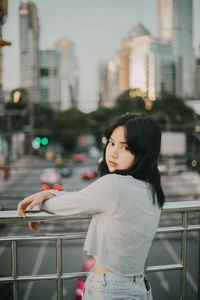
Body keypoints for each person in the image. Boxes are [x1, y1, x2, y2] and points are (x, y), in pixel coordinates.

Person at [18, 112, 165, 300]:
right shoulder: (151, 188)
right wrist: (50, 193)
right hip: (140, 287)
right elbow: (84, 199)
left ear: (143, 152)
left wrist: (41, 202)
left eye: (125, 147)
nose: (113, 152)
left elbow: (73, 203)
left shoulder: (115, 185)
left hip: (110, 289)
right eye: (111, 143)